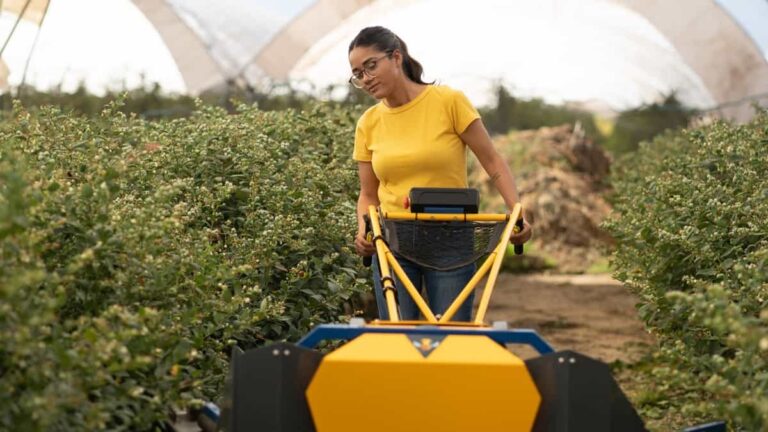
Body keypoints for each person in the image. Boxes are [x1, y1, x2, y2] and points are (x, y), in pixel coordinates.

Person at [350, 26, 532, 321]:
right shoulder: (368, 122)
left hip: (451, 239)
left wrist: (517, 212)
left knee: (451, 338)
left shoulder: (448, 102)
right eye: (358, 73)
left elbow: (492, 160)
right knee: (398, 337)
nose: (366, 78)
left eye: (371, 66)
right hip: (392, 240)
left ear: (396, 57)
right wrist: (363, 230)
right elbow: (368, 194)